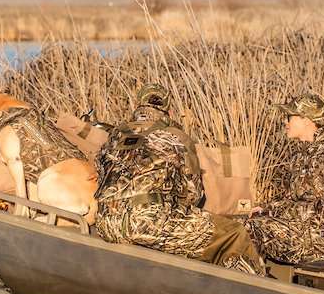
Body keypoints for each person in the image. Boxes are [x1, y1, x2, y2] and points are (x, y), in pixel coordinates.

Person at [96, 83, 262, 273]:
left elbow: (101, 176)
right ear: (169, 110)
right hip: (148, 225)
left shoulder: (114, 135)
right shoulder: (176, 136)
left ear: (138, 105)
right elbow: (193, 193)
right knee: (233, 233)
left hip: (106, 223)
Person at [245, 93, 324, 264]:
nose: (285, 122)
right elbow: (291, 200)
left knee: (255, 228)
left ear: (306, 120)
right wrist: (266, 209)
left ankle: (253, 284)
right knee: (248, 222)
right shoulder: (302, 155)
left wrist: (291, 217)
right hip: (306, 229)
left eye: (289, 117)